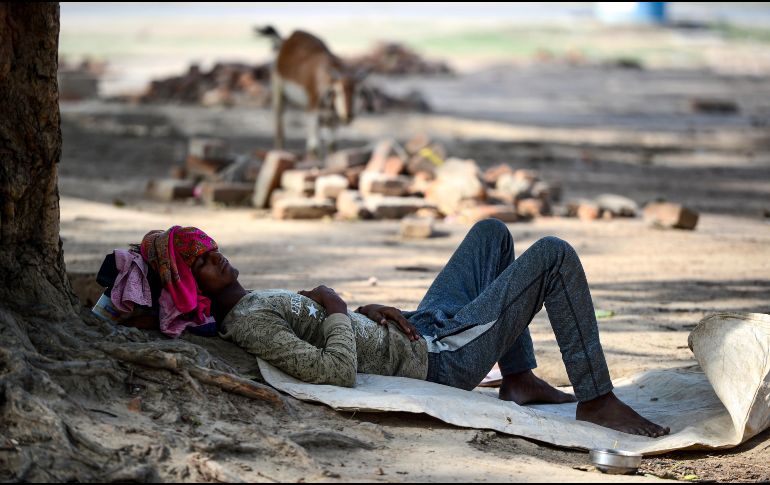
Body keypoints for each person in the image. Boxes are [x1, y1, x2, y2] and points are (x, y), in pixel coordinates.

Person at [142, 221, 670, 438]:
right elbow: (334, 371)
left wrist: (360, 308)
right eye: (202, 261)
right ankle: (596, 399)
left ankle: (519, 377)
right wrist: (336, 306)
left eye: (211, 247)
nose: (217, 256)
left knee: (491, 234)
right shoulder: (249, 321)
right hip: (440, 359)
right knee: (552, 254)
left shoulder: (253, 301)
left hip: (420, 326)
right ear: (191, 285)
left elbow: (324, 322)